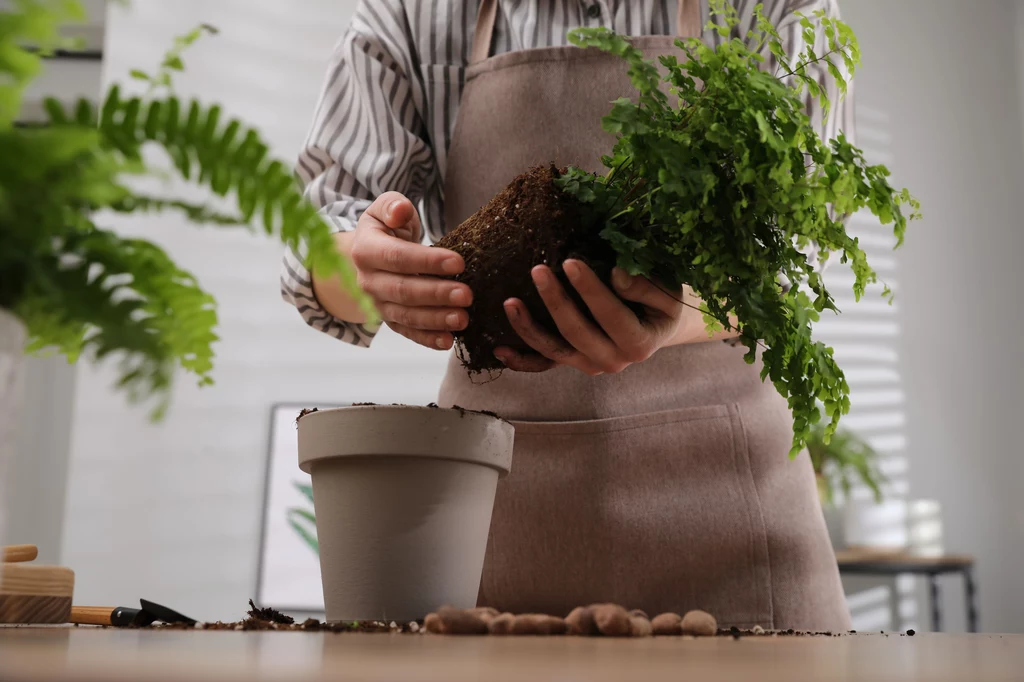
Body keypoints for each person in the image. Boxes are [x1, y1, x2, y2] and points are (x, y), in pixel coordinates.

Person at [282, 0, 854, 631]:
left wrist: (679, 308)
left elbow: (799, 249)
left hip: (737, 527)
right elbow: (320, 235)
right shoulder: (411, 13)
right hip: (493, 525)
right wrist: (368, 269)